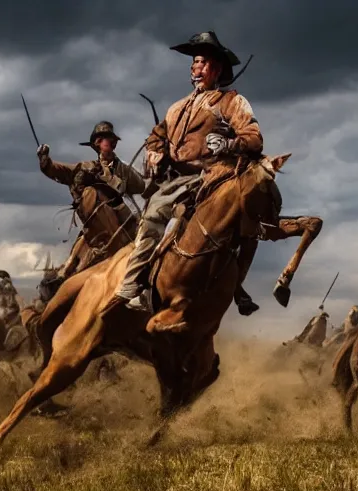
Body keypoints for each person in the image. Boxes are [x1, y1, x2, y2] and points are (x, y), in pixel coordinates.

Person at [110, 31, 262, 314]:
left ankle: (234, 285)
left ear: (218, 69)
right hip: (174, 181)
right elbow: (156, 137)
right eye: (194, 62)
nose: (197, 67)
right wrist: (154, 152)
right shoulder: (176, 108)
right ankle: (134, 284)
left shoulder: (231, 102)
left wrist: (230, 143)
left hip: (212, 176)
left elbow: (254, 137)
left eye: (203, 62)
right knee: (152, 216)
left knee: (236, 223)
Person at [36, 121, 146, 276]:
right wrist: (46, 161)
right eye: (101, 139)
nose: (105, 141)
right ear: (96, 144)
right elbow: (59, 170)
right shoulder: (85, 167)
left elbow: (142, 187)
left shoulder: (124, 169)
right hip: (94, 226)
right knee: (70, 267)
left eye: (107, 138)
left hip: (122, 221)